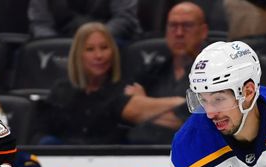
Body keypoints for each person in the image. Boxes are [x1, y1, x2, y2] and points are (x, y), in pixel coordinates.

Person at [36, 21, 185, 145]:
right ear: (78, 54)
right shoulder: (62, 91)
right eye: (90, 49)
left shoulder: (125, 88)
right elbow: (40, 133)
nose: (99, 56)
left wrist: (178, 102)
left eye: (104, 48)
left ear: (113, 51)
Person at [125, 1, 208, 145]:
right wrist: (180, 103)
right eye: (173, 26)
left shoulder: (214, 71)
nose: (179, 33)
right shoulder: (153, 70)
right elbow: (130, 110)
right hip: (144, 155)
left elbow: (200, 120)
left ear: (203, 31)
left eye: (187, 26)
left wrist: (146, 106)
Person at [28, 0, 141, 44]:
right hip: (62, 40)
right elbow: (40, 23)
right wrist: (57, 45)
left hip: (109, 39)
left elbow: (124, 19)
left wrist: (93, 39)